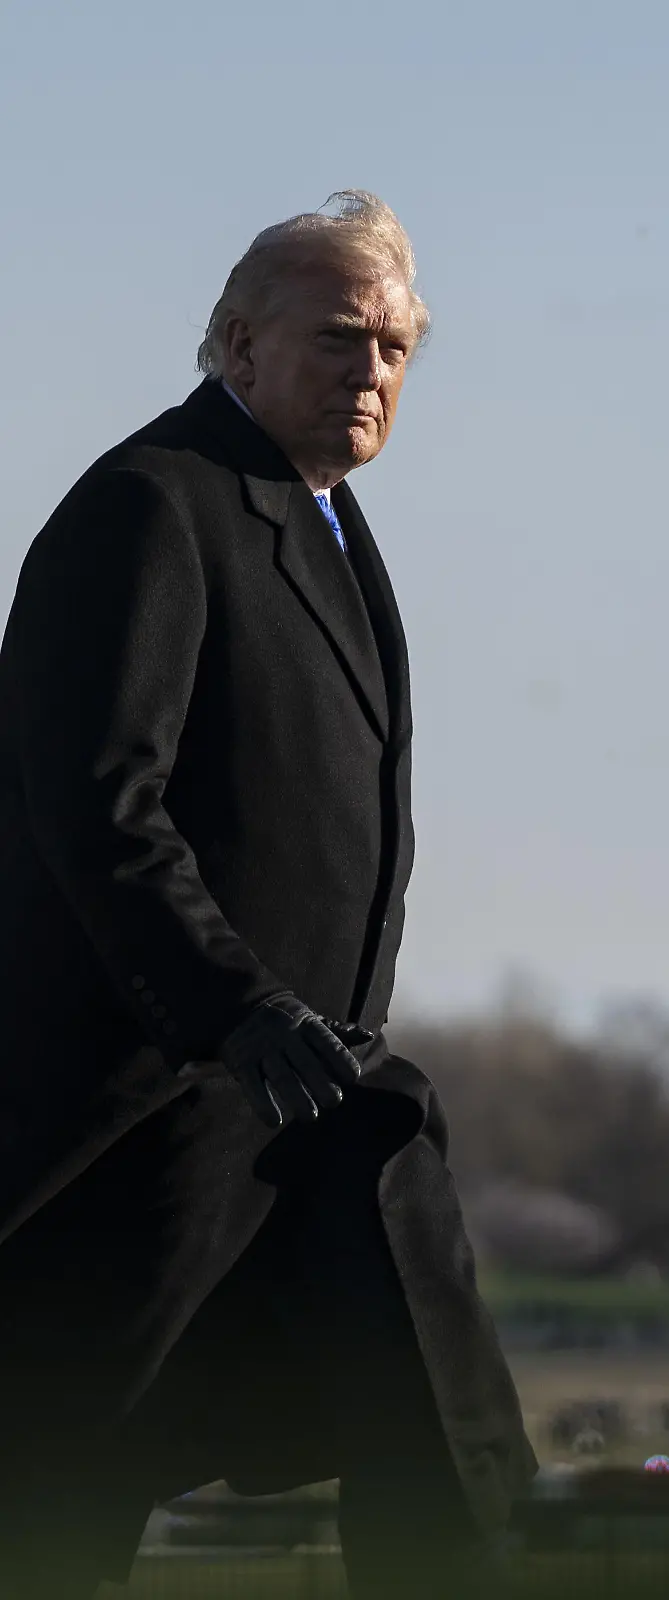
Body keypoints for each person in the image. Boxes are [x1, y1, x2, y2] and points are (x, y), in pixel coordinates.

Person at [0, 190, 537, 1598]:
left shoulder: (324, 522)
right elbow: (95, 805)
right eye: (339, 338)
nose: (372, 372)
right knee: (57, 1494)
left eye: (396, 348)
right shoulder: (152, 507)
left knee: (447, 1437)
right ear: (239, 346)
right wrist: (232, 1009)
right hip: (153, 1117)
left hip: (314, 1106)